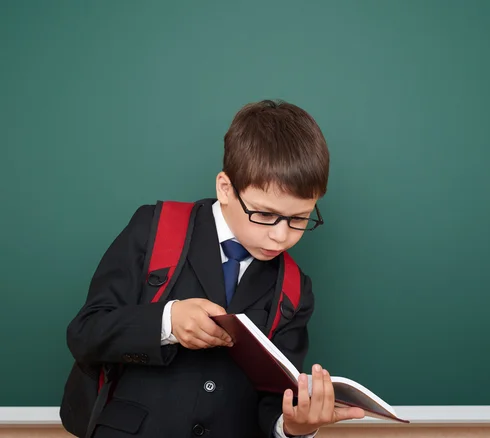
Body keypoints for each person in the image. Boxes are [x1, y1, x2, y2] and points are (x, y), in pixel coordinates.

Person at [66, 99, 365, 437]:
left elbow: (274, 396)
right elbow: (85, 333)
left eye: (299, 219)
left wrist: (292, 426)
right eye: (264, 214)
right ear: (225, 188)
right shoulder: (155, 228)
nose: (280, 236)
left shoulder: (295, 288)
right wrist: (168, 322)